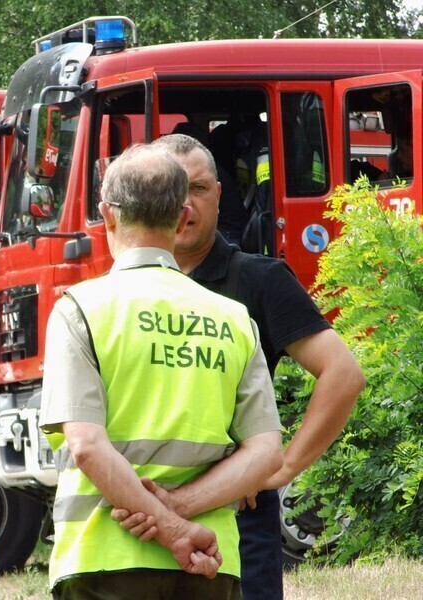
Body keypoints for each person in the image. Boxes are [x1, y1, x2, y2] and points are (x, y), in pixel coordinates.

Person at [112, 134, 365, 600]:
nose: (185, 205)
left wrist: (281, 469)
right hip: (139, 516)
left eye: (198, 189)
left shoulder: (257, 279)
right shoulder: (117, 294)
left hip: (237, 520)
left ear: (219, 195)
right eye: (173, 190)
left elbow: (344, 375)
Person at [39, 143, 283, 599]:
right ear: (181, 215)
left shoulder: (81, 310)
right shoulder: (233, 319)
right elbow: (267, 452)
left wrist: (169, 527)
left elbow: (87, 446)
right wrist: (179, 513)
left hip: (103, 557)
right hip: (212, 562)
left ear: (107, 214)